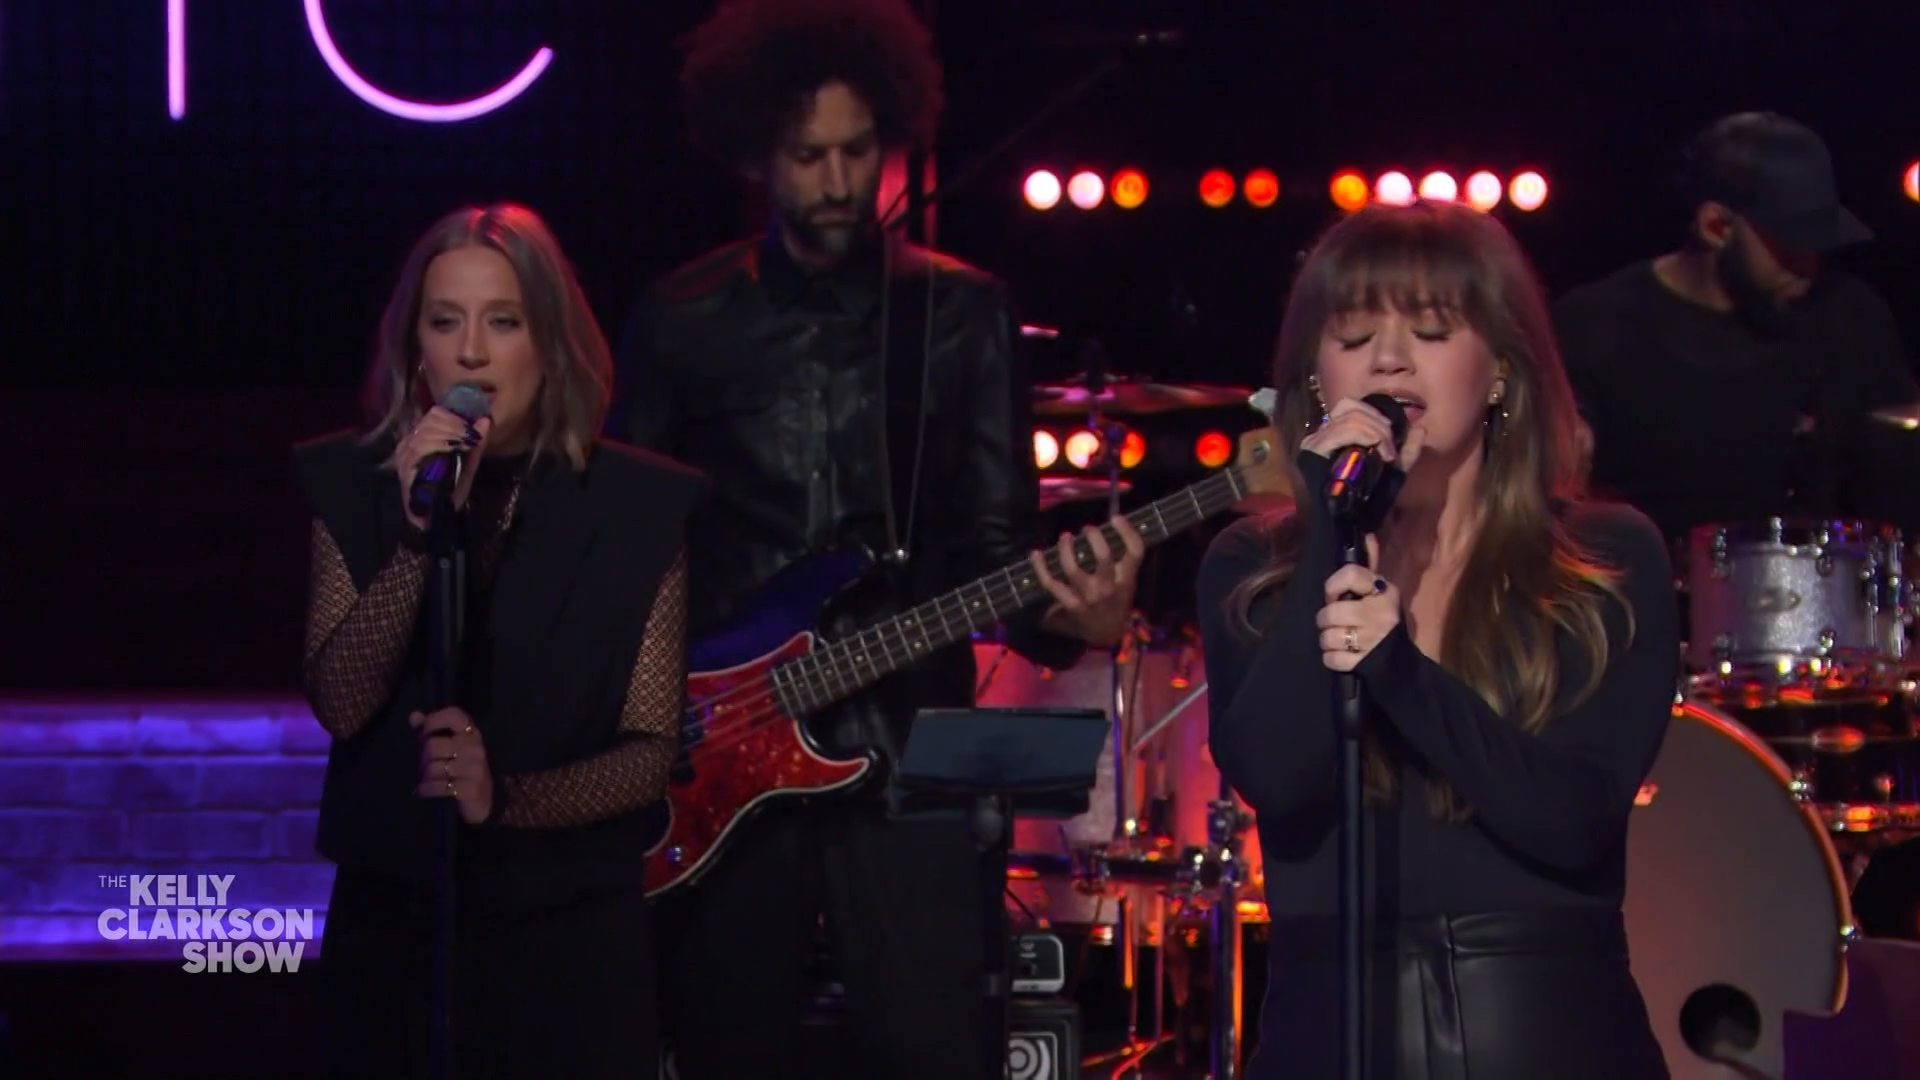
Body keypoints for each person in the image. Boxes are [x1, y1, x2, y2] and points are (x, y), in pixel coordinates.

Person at [612, 0, 1145, 1075]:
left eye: (858, 152)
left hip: (909, 753)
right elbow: (629, 557)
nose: (838, 181)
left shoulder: (962, 314)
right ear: (756, 152)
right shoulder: (681, 318)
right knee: (728, 1047)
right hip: (724, 765)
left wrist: (1075, 623)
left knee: (935, 1046)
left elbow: (997, 545)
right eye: (809, 156)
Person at [1196, 199, 1679, 1078]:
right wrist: (1333, 533)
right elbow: (1275, 776)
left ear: (1498, 371)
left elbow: (1573, 819)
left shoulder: (1602, 560)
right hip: (1331, 1034)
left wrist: (1401, 673)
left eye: (1429, 331)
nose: (1389, 359)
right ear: (1315, 381)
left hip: (1548, 1037)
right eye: (1353, 337)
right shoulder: (1253, 571)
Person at [294, 203, 704, 1079]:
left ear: (549, 344)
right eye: (446, 323)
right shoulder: (354, 486)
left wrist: (503, 799)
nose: (473, 353)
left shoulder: (637, 507)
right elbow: (341, 701)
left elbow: (649, 751)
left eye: (504, 322)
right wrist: (418, 538)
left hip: (570, 936)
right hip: (395, 928)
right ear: (417, 350)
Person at [1554, 111, 1920, 546]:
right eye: (1790, 245)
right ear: (1717, 227)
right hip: (1647, 581)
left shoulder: (1850, 316)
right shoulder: (1596, 326)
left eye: (1819, 245)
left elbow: (1898, 478)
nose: (1809, 267)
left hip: (1821, 580)